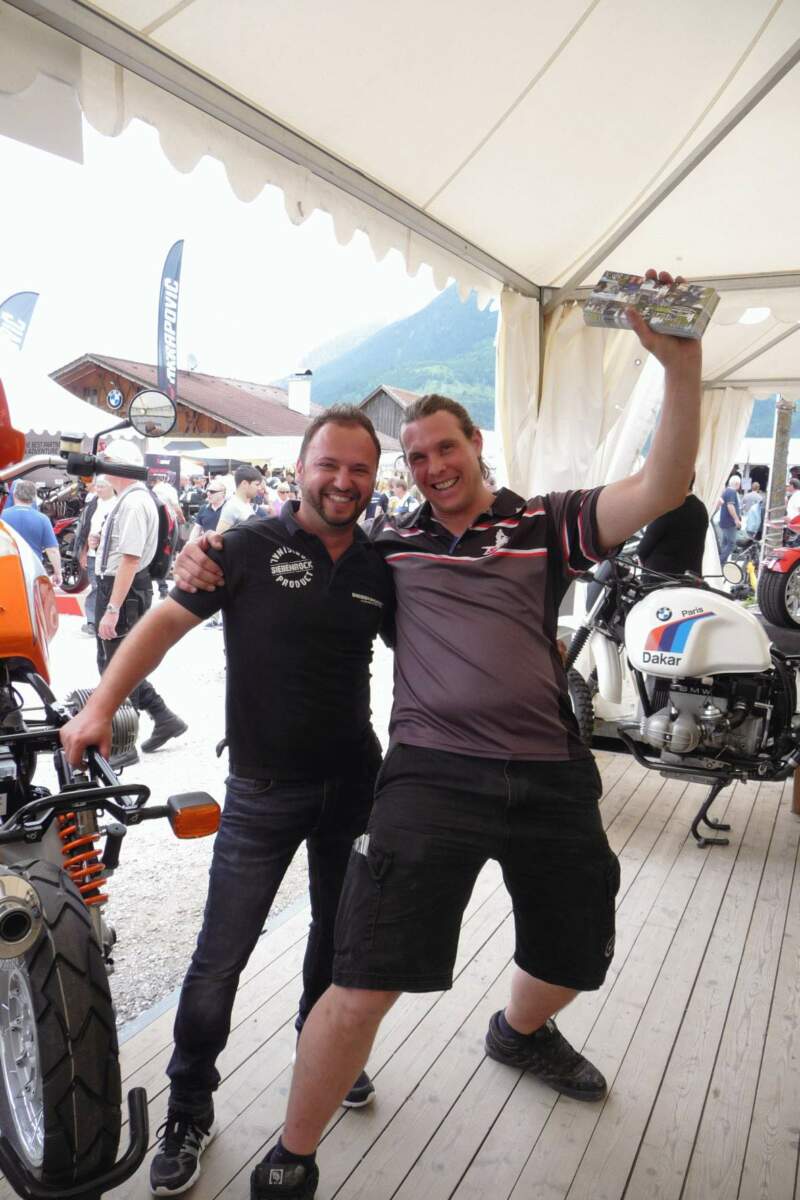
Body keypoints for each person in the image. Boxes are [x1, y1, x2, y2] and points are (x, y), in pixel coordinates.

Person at [174, 270, 703, 1200]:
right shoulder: (393, 549)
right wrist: (202, 554)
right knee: (365, 970)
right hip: (430, 776)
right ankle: (292, 1157)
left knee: (578, 950)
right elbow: (307, 562)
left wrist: (678, 364)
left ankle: (519, 1031)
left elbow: (665, 485)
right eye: (414, 458)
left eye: (443, 448)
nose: (430, 467)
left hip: (549, 771)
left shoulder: (547, 523)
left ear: (475, 445)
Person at [59, 407, 393, 1198]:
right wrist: (100, 706)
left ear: (374, 479)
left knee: (337, 943)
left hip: (355, 785)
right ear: (300, 470)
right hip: (262, 791)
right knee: (218, 961)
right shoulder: (239, 549)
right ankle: (188, 1109)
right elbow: (161, 625)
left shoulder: (384, 564)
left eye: (359, 469)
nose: (343, 481)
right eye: (329, 465)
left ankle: (324, 1051)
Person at [94, 440, 188, 763]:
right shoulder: (132, 498)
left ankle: (124, 745)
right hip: (126, 587)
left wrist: (112, 608)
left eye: (107, 461)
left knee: (117, 667)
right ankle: (163, 718)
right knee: (118, 663)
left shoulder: (134, 502)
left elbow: (130, 560)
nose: (102, 467)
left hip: (125, 588)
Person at [637, 474, 709, 577]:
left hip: (660, 577)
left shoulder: (671, 506)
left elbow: (644, 547)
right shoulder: (701, 508)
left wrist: (640, 556)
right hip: (688, 577)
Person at [75, 476, 116, 635]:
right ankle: (92, 621)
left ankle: (102, 620)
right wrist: (83, 552)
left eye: (102, 486)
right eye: (97, 486)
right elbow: (86, 530)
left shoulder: (117, 504)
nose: (98, 489)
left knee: (105, 587)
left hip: (109, 555)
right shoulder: (93, 504)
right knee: (96, 586)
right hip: (92, 554)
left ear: (111, 487)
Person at [2, 479, 62, 586]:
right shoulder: (43, 519)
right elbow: (52, 550)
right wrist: (58, 573)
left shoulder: (2, 516)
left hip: (6, 566)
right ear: (34, 497)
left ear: (14, 495)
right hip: (33, 569)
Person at [216, 465, 262, 534]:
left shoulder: (244, 503)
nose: (259, 488)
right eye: (257, 484)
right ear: (244, 483)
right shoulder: (232, 506)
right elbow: (219, 536)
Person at [715, 473, 742, 563]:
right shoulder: (732, 492)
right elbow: (730, 506)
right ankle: (720, 561)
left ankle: (722, 563)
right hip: (730, 522)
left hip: (724, 521)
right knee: (731, 543)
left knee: (725, 543)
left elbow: (721, 503)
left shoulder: (726, 491)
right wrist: (736, 519)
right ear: (737, 484)